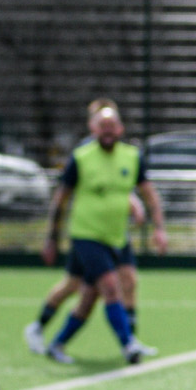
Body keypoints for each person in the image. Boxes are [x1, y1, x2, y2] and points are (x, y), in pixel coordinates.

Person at [36, 102, 166, 365]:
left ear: (120, 128)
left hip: (116, 236)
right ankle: (128, 345)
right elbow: (60, 199)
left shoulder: (131, 156)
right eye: (102, 126)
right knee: (108, 287)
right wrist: (52, 237)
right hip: (87, 235)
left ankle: (58, 344)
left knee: (98, 293)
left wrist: (158, 228)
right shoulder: (81, 157)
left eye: (112, 126)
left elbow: (148, 194)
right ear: (93, 128)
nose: (108, 131)